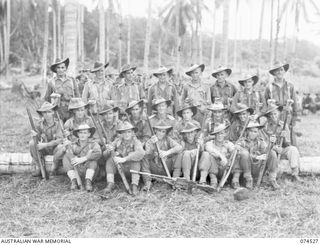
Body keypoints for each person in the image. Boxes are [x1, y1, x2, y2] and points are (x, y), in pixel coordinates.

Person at [261, 103, 302, 182]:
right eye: (271, 114)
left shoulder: (283, 125)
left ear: (279, 114)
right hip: (270, 150)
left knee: (293, 149)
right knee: (272, 153)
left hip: (281, 149)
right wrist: (273, 147)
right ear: (269, 116)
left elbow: (287, 143)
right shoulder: (265, 126)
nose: (273, 116)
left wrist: (284, 136)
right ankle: (272, 177)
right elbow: (263, 142)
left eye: (275, 113)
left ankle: (295, 174)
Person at [103, 121, 145, 195]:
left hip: (132, 169)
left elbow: (141, 152)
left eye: (129, 132)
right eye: (124, 132)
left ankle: (134, 185)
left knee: (136, 161)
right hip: (120, 169)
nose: (126, 134)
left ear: (132, 133)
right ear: (121, 134)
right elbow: (104, 155)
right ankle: (110, 183)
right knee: (110, 160)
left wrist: (125, 159)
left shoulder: (136, 142)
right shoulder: (117, 141)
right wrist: (109, 150)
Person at [57, 124, 102, 191]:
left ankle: (88, 182)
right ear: (78, 134)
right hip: (77, 171)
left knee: (93, 159)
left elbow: (99, 153)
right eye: (80, 133)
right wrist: (64, 148)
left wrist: (83, 158)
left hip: (90, 171)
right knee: (66, 156)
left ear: (89, 134)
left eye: (85, 133)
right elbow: (57, 157)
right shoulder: (73, 145)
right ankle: (74, 181)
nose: (82, 135)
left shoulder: (93, 144)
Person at [238, 120, 280, 190]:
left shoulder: (260, 141)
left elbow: (266, 150)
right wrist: (257, 157)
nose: (252, 134)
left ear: (258, 133)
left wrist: (272, 143)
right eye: (251, 131)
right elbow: (239, 153)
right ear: (247, 131)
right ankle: (249, 180)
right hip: (246, 170)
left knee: (272, 152)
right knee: (244, 154)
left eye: (255, 132)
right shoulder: (242, 141)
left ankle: (272, 179)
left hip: (258, 168)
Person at [264, 62, 298, 145]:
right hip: (274, 117)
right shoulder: (269, 87)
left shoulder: (290, 86)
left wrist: (294, 119)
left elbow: (295, 104)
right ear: (274, 73)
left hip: (287, 116)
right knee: (274, 140)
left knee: (288, 140)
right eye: (277, 70)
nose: (279, 72)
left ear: (284, 71)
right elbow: (265, 105)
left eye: (281, 70)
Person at [142, 121, 183, 191]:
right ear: (155, 131)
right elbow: (148, 155)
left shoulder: (168, 139)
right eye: (159, 131)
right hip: (154, 168)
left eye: (163, 132)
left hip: (166, 168)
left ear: (165, 132)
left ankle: (175, 180)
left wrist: (166, 152)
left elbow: (179, 147)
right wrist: (152, 147)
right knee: (144, 157)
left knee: (179, 155)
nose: (161, 133)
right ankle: (147, 182)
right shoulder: (150, 141)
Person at [29, 102, 63, 177]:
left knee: (61, 147)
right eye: (44, 112)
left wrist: (45, 144)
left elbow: (60, 140)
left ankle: (55, 167)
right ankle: (38, 164)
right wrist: (34, 135)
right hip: (44, 150)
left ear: (53, 112)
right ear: (42, 114)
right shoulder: (39, 124)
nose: (47, 114)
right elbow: (35, 140)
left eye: (49, 112)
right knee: (32, 143)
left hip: (55, 149)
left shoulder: (59, 124)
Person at [198, 123, 236, 189]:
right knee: (206, 154)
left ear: (225, 134)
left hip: (223, 171)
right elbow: (209, 149)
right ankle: (204, 181)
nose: (219, 136)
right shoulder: (210, 143)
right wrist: (221, 156)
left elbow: (234, 150)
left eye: (221, 133)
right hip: (211, 172)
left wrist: (236, 149)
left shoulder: (228, 144)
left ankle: (217, 182)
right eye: (217, 134)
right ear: (215, 135)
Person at [44, 58, 80, 122]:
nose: (60, 70)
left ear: (65, 68)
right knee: (59, 130)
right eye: (58, 67)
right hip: (58, 111)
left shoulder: (72, 80)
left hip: (71, 110)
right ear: (55, 69)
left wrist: (78, 109)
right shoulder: (51, 82)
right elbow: (47, 98)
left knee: (72, 129)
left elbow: (77, 95)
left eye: (62, 67)